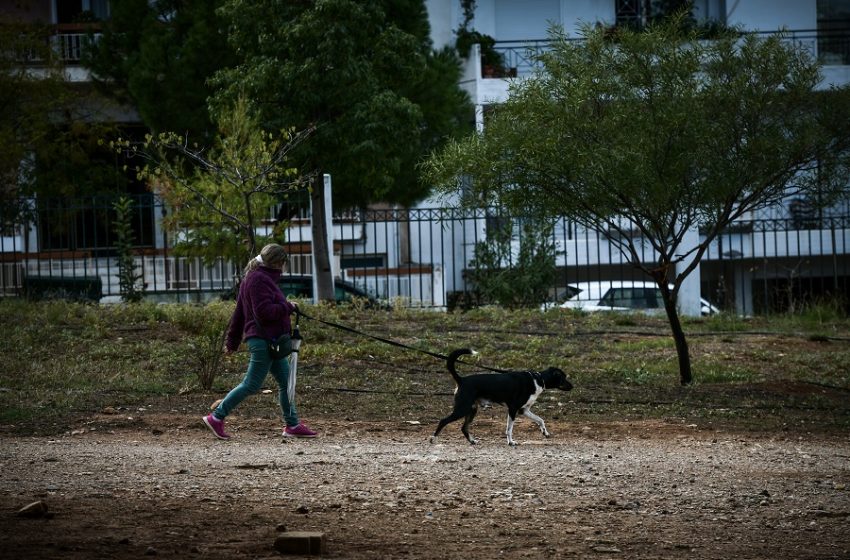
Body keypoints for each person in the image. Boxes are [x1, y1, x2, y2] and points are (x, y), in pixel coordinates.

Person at [203, 243, 317, 440]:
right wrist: (288, 307)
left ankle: (292, 425)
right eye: (283, 263)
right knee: (251, 384)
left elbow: (239, 313)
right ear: (278, 262)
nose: (284, 267)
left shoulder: (257, 278)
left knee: (285, 381)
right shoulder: (259, 280)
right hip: (263, 341)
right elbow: (263, 313)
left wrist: (232, 341)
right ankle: (216, 417)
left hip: (270, 341)